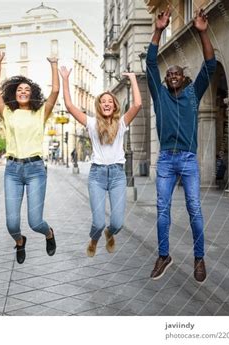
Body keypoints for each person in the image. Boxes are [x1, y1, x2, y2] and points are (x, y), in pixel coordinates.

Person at [147, 7, 216, 282]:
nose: (173, 75)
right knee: (162, 208)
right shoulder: (159, 95)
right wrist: (159, 30)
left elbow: (210, 66)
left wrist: (203, 32)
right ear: (165, 81)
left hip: (187, 159)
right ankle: (164, 255)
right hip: (165, 158)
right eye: (169, 74)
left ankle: (199, 259)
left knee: (194, 208)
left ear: (184, 79)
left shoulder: (192, 93)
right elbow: (151, 64)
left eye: (177, 73)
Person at [59, 67, 141, 257]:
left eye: (109, 101)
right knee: (98, 222)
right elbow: (70, 106)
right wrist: (65, 79)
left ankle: (109, 234)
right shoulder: (91, 123)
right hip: (97, 175)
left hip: (117, 176)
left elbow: (137, 104)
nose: (106, 104)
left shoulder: (121, 123)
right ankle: (94, 239)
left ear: (114, 106)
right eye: (103, 102)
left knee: (118, 223)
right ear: (99, 106)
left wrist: (133, 79)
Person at [0, 51, 59, 264]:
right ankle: (20, 241)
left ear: (32, 94)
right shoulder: (8, 113)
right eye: (19, 89)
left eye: (27, 89)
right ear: (14, 93)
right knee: (12, 224)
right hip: (12, 170)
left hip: (35, 169)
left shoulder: (40, 113)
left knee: (35, 221)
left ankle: (48, 233)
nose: (23, 91)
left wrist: (54, 64)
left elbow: (55, 90)